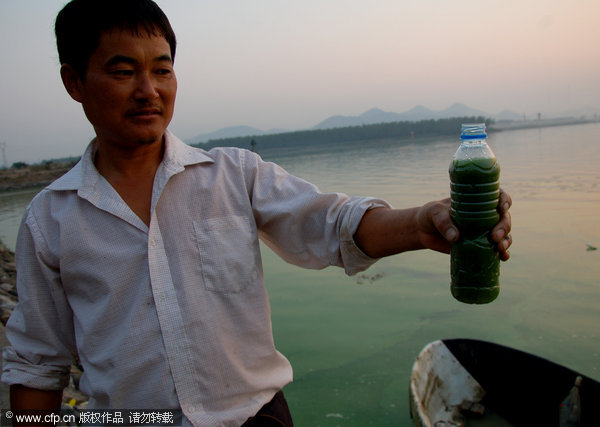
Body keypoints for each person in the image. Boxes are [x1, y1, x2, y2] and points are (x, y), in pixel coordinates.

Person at [1, 0, 512, 425]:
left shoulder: (234, 175)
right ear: (74, 82)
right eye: (122, 70)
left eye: (162, 68)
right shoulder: (51, 219)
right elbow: (37, 363)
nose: (148, 90)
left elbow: (333, 224)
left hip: (257, 417)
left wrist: (424, 221)